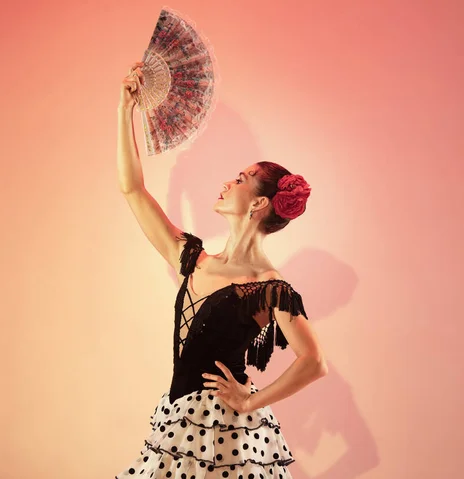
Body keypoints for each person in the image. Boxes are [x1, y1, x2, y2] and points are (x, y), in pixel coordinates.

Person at [115, 63, 328, 479]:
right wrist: (125, 112)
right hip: (179, 419)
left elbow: (314, 361)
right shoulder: (191, 258)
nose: (228, 183)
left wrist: (251, 401)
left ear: (258, 203)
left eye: (241, 178)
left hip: (223, 430)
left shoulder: (269, 289)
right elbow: (133, 190)